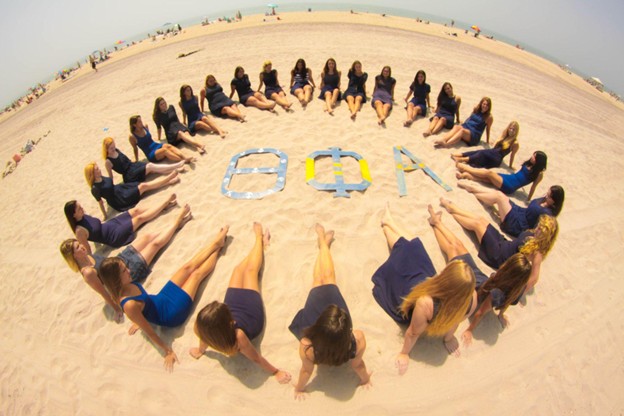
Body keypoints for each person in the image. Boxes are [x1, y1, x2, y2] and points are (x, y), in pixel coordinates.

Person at [99, 224, 228, 372]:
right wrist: (167, 351)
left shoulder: (125, 284)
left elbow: (140, 310)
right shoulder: (129, 305)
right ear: (115, 279)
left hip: (160, 299)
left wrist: (137, 319)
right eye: (123, 271)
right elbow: (150, 331)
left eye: (125, 267)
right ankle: (217, 250)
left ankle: (215, 243)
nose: (128, 270)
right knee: (196, 276)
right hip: (170, 313)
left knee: (187, 267)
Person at [373, 205, 476, 375]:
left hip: (409, 293)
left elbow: (412, 333)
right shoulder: (471, 298)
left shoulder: (426, 303)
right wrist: (448, 338)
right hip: (429, 285)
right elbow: (457, 320)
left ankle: (386, 224)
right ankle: (389, 222)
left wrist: (404, 353)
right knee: (414, 246)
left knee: (404, 249)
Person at [191, 223, 291, 384]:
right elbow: (257, 358)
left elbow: (205, 334)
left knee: (238, 270)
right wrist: (276, 372)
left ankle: (258, 245)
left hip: (231, 309)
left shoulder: (205, 328)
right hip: (250, 315)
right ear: (230, 320)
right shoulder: (239, 337)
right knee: (251, 271)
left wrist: (200, 350)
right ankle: (259, 239)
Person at [59, 204, 192, 323]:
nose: (81, 247)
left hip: (120, 259)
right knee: (155, 245)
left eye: (79, 244)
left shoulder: (86, 254)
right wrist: (117, 309)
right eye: (77, 248)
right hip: (125, 273)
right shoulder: (88, 273)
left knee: (147, 237)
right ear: (73, 256)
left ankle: (171, 227)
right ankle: (176, 223)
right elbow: (104, 292)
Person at [289, 224, 371, 399]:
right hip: (331, 321)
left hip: (317, 318)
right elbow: (359, 366)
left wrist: (299, 388)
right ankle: (324, 244)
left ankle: (322, 242)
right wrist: (365, 380)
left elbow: (306, 371)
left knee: (320, 279)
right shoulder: (357, 341)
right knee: (327, 277)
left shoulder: (307, 347)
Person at [439, 197, 558, 291]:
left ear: (547, 236)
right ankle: (454, 209)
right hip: (503, 242)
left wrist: (518, 291)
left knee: (476, 225)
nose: (537, 229)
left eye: (541, 230)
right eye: (539, 226)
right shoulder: (533, 233)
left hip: (499, 255)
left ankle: (452, 211)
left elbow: (534, 278)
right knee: (481, 220)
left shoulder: (538, 252)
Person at [64, 193, 176, 253]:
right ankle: (165, 203)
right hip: (113, 236)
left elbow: (92, 231)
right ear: (73, 215)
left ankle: (161, 207)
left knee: (135, 211)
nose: (82, 209)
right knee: (139, 219)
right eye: (79, 209)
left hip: (111, 224)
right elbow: (87, 249)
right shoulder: (79, 231)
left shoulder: (83, 216)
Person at [461, 252, 532, 347]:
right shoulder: (518, 289)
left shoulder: (498, 292)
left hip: (474, 279)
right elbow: (507, 301)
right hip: (477, 279)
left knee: (454, 247)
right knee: (455, 246)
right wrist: (501, 314)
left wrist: (469, 330)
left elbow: (480, 313)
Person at [459, 182, 565, 237]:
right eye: (547, 193)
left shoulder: (547, 214)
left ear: (555, 201)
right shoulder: (544, 200)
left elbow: (537, 231)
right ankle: (473, 189)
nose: (546, 196)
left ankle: (474, 194)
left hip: (518, 225)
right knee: (500, 194)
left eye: (549, 196)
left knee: (499, 198)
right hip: (519, 212)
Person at [84, 162, 178, 216]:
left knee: (143, 186)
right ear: (91, 174)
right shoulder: (95, 188)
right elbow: (100, 202)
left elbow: (109, 183)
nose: (99, 170)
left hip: (120, 188)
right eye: (96, 170)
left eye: (98, 168)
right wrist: (105, 215)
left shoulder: (101, 177)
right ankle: (168, 179)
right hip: (119, 199)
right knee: (143, 187)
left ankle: (168, 182)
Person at [456, 151, 548, 201]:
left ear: (539, 161)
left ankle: (465, 168)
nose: (532, 157)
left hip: (510, 186)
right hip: (508, 177)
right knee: (487, 179)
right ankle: (466, 175)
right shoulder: (529, 164)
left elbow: (533, 187)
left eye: (535, 157)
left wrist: (528, 199)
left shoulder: (539, 173)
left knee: (489, 173)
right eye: (533, 155)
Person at [102, 137, 184, 184]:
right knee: (150, 167)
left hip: (133, 166)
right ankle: (176, 166)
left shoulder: (117, 150)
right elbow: (111, 177)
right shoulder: (108, 161)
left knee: (153, 169)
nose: (113, 149)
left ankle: (175, 169)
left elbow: (125, 160)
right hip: (129, 175)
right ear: (106, 149)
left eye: (113, 146)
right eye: (111, 148)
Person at [451, 121, 520, 169]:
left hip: (497, 158)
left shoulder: (515, 143)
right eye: (510, 128)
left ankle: (462, 159)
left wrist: (510, 166)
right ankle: (459, 154)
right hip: (493, 151)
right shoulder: (505, 135)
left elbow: (512, 155)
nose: (511, 130)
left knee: (481, 153)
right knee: (478, 151)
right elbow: (497, 145)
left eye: (513, 129)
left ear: (516, 131)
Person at [128, 115, 195, 164]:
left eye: (141, 120)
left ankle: (185, 157)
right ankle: (182, 161)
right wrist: (136, 159)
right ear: (134, 125)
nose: (141, 122)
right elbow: (135, 148)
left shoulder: (145, 126)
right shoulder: (132, 136)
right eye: (139, 122)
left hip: (155, 145)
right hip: (150, 152)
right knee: (164, 151)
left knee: (168, 146)